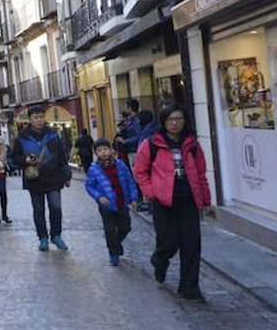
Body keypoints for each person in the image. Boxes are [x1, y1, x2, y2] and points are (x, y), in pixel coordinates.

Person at [133, 104, 214, 301]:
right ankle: (159, 260)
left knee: (191, 245)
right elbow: (140, 171)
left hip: (188, 200)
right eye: (171, 119)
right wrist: (151, 193)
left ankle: (189, 288)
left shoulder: (192, 145)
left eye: (179, 119)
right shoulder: (152, 144)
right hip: (163, 202)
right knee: (168, 242)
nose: (175, 123)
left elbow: (201, 174)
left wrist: (206, 201)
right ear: (164, 122)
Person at [10, 105, 73, 251]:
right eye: (36, 117)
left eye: (41, 117)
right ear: (30, 119)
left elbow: (61, 156)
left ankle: (56, 235)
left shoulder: (53, 134)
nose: (39, 120)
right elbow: (14, 158)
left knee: (56, 207)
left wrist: (67, 174)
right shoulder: (22, 137)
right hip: (34, 179)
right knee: (38, 210)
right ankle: (43, 238)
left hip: (54, 177)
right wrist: (25, 160)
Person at [84, 138, 139, 266]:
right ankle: (113, 253)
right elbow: (89, 186)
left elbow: (130, 181)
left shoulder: (120, 165)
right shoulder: (94, 169)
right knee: (109, 230)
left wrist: (134, 198)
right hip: (106, 205)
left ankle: (117, 242)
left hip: (121, 202)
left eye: (105, 149)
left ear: (110, 150)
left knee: (125, 226)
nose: (103, 152)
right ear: (95, 153)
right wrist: (99, 197)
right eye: (99, 150)